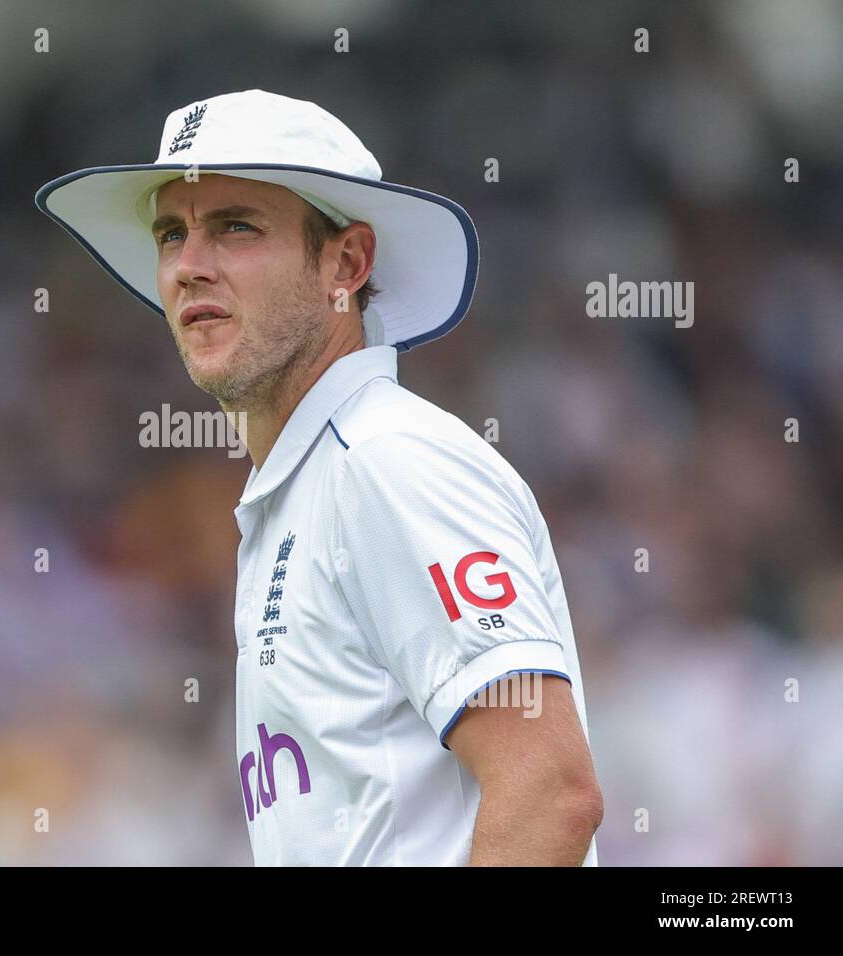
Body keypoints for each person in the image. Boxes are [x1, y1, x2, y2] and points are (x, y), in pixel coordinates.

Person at [36, 89, 602, 865]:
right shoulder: (307, 489)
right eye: (171, 232)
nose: (188, 266)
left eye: (235, 226)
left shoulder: (386, 463)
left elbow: (550, 794)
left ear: (347, 263)